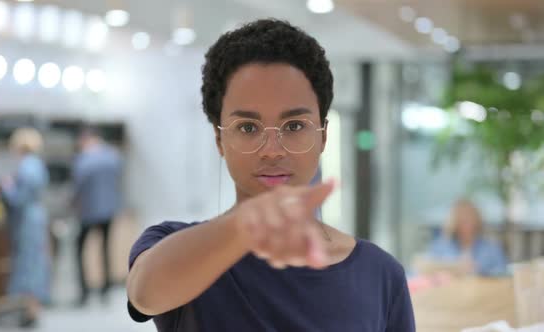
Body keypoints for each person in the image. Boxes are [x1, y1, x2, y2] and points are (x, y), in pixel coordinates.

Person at [126, 19, 415, 331]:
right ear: (219, 139)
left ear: (323, 137)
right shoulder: (172, 247)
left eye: (293, 126)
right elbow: (145, 294)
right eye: (248, 128)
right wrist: (248, 223)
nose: (272, 150)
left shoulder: (380, 274)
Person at [1, 127, 50, 327]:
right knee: (35, 263)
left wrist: (7, 187)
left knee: (29, 264)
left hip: (27, 220)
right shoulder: (37, 164)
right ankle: (32, 309)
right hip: (35, 218)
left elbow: (19, 199)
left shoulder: (26, 167)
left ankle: (31, 311)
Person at [72, 126, 122, 306]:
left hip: (88, 211)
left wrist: (72, 204)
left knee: (79, 250)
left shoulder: (83, 159)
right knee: (105, 250)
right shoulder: (113, 155)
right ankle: (105, 290)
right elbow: (118, 179)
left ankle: (84, 292)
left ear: (86, 139)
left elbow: (78, 186)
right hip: (109, 209)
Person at [426, 199, 508, 276]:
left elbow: (503, 273)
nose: (466, 223)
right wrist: (454, 267)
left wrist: (480, 272)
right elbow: (422, 268)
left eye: (469, 217)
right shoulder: (441, 246)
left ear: (477, 219)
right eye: (461, 219)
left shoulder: (491, 248)